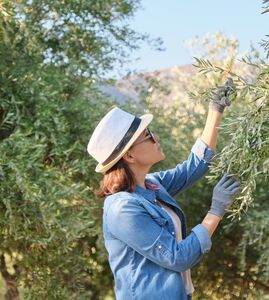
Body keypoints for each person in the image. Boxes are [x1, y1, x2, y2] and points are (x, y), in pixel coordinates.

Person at [86, 81, 240, 300]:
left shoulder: (152, 185)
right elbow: (178, 258)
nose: (156, 137)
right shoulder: (122, 208)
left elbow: (194, 166)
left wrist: (215, 110)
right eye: (148, 135)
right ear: (129, 156)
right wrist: (216, 211)